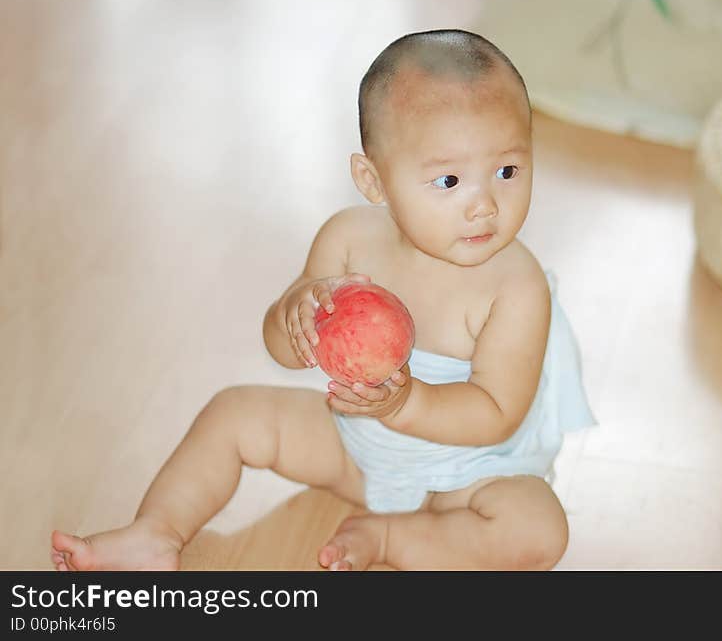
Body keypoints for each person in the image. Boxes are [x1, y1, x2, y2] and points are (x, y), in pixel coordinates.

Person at [50, 29, 594, 571]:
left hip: (469, 474)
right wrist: (294, 315)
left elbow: (496, 413)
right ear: (373, 180)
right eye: (449, 180)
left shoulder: (517, 286)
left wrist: (407, 403)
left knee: (539, 528)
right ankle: (156, 533)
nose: (484, 205)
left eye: (507, 171)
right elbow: (284, 349)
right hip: (354, 442)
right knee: (232, 412)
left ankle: (391, 540)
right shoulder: (349, 240)